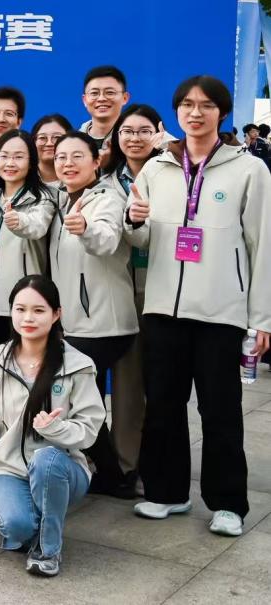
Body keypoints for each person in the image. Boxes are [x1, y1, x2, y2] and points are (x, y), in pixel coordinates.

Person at [125, 75, 271, 537]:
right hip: (163, 308)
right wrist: (134, 223)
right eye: (187, 104)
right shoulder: (156, 169)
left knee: (220, 409)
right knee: (163, 405)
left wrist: (262, 318)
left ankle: (228, 503)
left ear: (221, 113)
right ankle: (168, 492)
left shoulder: (249, 170)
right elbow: (141, 239)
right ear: (176, 112)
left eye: (206, 105)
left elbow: (262, 245)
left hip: (220, 312)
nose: (195, 112)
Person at [0, 275, 105, 578]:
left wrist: (56, 430)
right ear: (12, 312)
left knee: (46, 459)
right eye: (20, 309)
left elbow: (90, 429)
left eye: (39, 310)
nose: (28, 318)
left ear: (56, 314)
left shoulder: (78, 364)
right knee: (16, 527)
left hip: (63, 468)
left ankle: (48, 549)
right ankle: (39, 523)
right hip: (8, 468)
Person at [49, 131, 137, 498]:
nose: (68, 163)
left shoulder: (108, 198)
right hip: (74, 320)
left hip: (104, 321)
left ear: (96, 161)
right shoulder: (58, 198)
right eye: (61, 157)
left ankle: (113, 475)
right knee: (86, 397)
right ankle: (107, 473)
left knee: (78, 397)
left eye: (77, 156)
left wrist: (85, 229)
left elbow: (106, 239)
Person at [105, 104, 166, 480]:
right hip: (121, 290)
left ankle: (159, 465)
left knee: (164, 385)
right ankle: (127, 466)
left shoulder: (174, 175)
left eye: (144, 131)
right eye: (127, 131)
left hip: (165, 289)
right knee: (127, 386)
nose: (135, 138)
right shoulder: (106, 179)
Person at [0, 129, 55, 344]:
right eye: (3, 156)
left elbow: (37, 226)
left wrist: (19, 221)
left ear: (31, 162)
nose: (10, 163)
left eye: (18, 157)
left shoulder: (42, 198)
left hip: (25, 308)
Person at [78, 65, 129, 153]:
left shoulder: (134, 141)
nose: (101, 98)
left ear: (125, 98)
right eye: (94, 93)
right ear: (84, 100)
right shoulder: (73, 142)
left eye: (110, 92)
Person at [31, 114, 73, 188]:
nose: (49, 143)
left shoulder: (82, 180)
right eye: (42, 137)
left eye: (57, 137)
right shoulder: (21, 180)